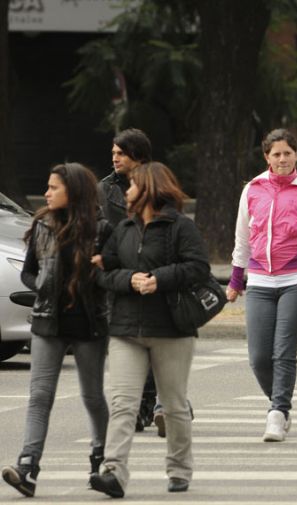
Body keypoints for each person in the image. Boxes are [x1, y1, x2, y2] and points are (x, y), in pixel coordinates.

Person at [89, 162, 210, 497]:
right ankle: (113, 472)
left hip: (171, 329)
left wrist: (160, 279)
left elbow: (199, 268)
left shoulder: (179, 227)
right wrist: (128, 279)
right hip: (126, 328)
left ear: (149, 189)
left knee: (172, 405)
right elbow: (103, 272)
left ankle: (179, 469)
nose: (126, 191)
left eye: (132, 186)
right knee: (124, 404)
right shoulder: (124, 229)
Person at [1, 163, 111, 497]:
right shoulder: (43, 225)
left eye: (53, 188)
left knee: (92, 396)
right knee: (39, 396)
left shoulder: (102, 229)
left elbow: (111, 274)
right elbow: (29, 273)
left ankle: (101, 460)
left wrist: (98, 276)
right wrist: (44, 286)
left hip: (89, 323)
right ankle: (27, 466)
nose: (46, 193)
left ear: (73, 191)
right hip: (48, 321)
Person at [226, 128, 297, 442]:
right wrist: (236, 279)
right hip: (259, 280)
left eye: (288, 153)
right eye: (276, 154)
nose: (283, 159)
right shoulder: (253, 189)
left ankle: (277, 412)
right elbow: (242, 239)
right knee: (259, 357)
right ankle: (281, 403)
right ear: (267, 157)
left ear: (296, 155)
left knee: (283, 351)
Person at [98, 128, 161, 435]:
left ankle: (150, 403)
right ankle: (142, 404)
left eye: (121, 153)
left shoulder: (158, 183)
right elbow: (107, 228)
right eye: (113, 153)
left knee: (152, 339)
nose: (115, 158)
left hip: (151, 270)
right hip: (119, 273)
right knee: (125, 340)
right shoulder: (106, 188)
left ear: (138, 156)